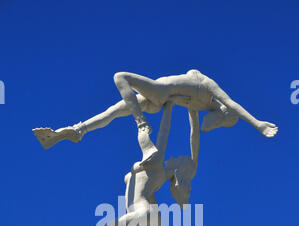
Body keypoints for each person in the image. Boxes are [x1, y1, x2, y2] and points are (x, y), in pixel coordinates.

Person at [95, 99, 199, 226]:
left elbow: (165, 132)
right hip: (142, 217)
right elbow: (155, 212)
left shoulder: (156, 162)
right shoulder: (158, 177)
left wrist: (169, 106)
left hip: (140, 214)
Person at [33, 69, 278, 155]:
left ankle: (139, 123)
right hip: (159, 94)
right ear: (224, 113)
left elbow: (195, 134)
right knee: (116, 106)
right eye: (222, 121)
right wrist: (258, 124)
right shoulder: (209, 87)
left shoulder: (197, 108)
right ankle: (78, 130)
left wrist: (192, 162)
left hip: (159, 98)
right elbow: (233, 103)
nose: (214, 123)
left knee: (119, 92)